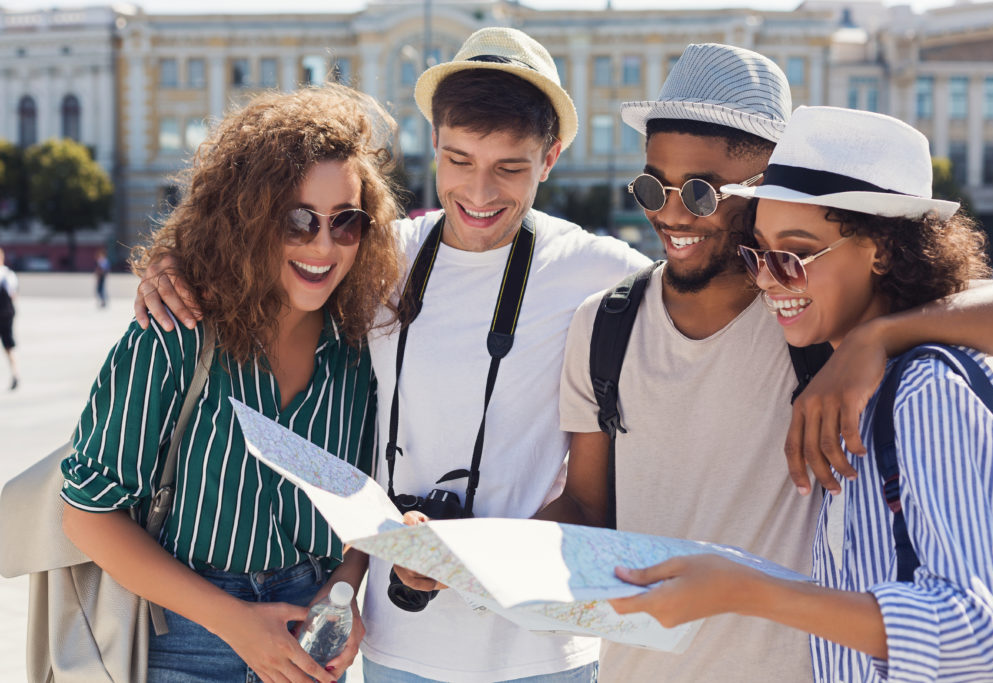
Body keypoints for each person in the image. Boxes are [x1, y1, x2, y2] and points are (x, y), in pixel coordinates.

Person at [135, 28, 649, 682]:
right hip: (397, 644)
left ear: (549, 158)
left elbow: (718, 292)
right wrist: (170, 261)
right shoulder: (380, 253)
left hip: (543, 651)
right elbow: (257, 249)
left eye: (510, 167)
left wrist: (830, 362)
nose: (480, 192)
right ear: (433, 142)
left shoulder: (597, 266)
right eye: (459, 159)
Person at [541, 44, 993, 682]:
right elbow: (587, 507)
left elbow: (973, 633)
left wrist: (874, 339)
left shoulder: (838, 338)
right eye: (654, 185)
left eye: (702, 191)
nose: (670, 212)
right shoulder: (611, 325)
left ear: (763, 184)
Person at [60, 85, 403, 683]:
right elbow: (87, 514)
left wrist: (343, 597)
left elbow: (367, 505)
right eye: (298, 219)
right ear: (247, 219)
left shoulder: (360, 351)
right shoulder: (175, 335)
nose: (323, 245)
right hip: (184, 637)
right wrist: (234, 622)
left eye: (345, 221)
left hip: (312, 635)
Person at [0, 246, 17, 390]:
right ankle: (15, 374)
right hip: (7, 314)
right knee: (8, 347)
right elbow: (13, 295)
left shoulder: (6, 274)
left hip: (4, 315)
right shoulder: (8, 274)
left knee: (8, 347)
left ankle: (15, 374)